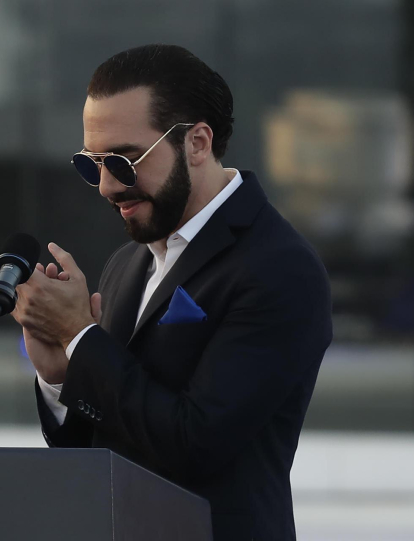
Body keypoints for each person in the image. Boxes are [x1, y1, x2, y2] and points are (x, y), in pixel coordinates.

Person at [12, 44, 332, 541]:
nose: (105, 186)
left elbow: (194, 443)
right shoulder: (128, 262)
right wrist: (59, 376)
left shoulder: (280, 267)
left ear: (197, 143)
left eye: (123, 159)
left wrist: (80, 336)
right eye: (91, 162)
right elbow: (99, 454)